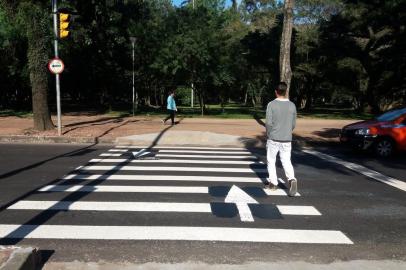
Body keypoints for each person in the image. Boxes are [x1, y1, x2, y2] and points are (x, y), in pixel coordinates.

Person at [265, 82, 297, 196]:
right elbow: (293, 124)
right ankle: (292, 179)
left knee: (271, 160)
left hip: (274, 137)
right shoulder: (292, 105)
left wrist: (269, 134)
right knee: (286, 161)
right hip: (287, 138)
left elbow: (268, 123)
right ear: (285, 91)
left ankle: (273, 183)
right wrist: (287, 131)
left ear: (276, 91)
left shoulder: (271, 104)